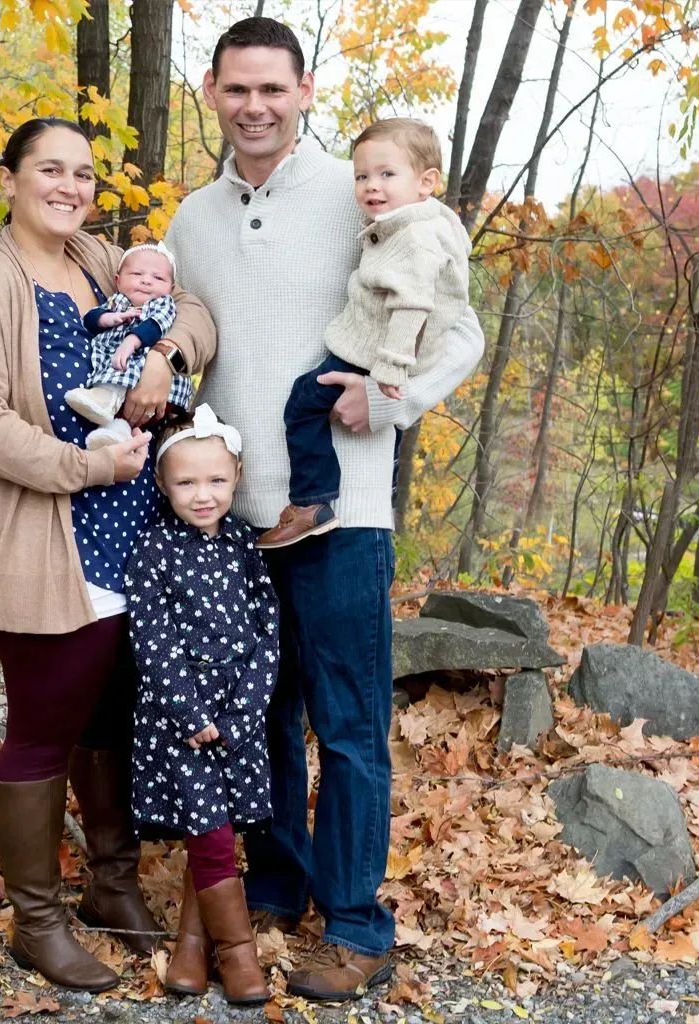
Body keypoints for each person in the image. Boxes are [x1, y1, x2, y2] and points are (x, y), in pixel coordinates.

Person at [163, 17, 485, 1002]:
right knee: (259, 717)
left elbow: (460, 332)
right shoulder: (192, 221)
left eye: (274, 88)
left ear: (304, 92)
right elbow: (186, 332)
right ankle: (274, 885)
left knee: (347, 729)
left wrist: (388, 402)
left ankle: (354, 925)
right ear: (213, 93)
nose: (255, 106)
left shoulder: (363, 196)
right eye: (237, 89)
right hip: (234, 520)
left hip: (344, 514)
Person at [0, 116, 216, 993]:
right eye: (50, 170)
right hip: (48, 536)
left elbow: (195, 310)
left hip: (135, 531)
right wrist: (84, 467)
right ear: (10, 179)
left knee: (113, 716)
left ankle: (111, 885)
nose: (70, 187)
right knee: (44, 729)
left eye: (84, 174)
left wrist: (163, 355)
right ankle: (37, 922)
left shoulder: (100, 260)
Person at [259, 118, 472, 550]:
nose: (372, 185)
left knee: (303, 403)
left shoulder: (416, 238)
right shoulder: (415, 223)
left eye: (387, 174)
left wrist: (391, 370)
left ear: (426, 181)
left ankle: (312, 502)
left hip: (375, 352)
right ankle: (317, 499)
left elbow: (413, 305)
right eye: (361, 177)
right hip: (376, 348)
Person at [125, 405, 277, 1007]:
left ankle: (191, 948)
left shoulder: (244, 544)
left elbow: (268, 631)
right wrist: (191, 714)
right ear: (164, 486)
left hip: (237, 716)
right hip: (181, 720)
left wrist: (243, 714)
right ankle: (238, 953)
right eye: (186, 482)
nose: (203, 494)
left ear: (236, 478)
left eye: (216, 480)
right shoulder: (154, 548)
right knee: (210, 831)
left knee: (215, 826)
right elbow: (151, 638)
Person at [66, 242, 194, 450]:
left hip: (155, 387)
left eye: (158, 278)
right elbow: (90, 319)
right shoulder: (117, 301)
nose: (146, 281)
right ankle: (116, 432)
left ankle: (104, 401)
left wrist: (131, 342)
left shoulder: (163, 304)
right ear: (118, 281)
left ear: (171, 289)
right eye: (136, 274)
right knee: (118, 369)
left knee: (124, 365)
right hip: (124, 371)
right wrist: (108, 318)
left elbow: (155, 325)